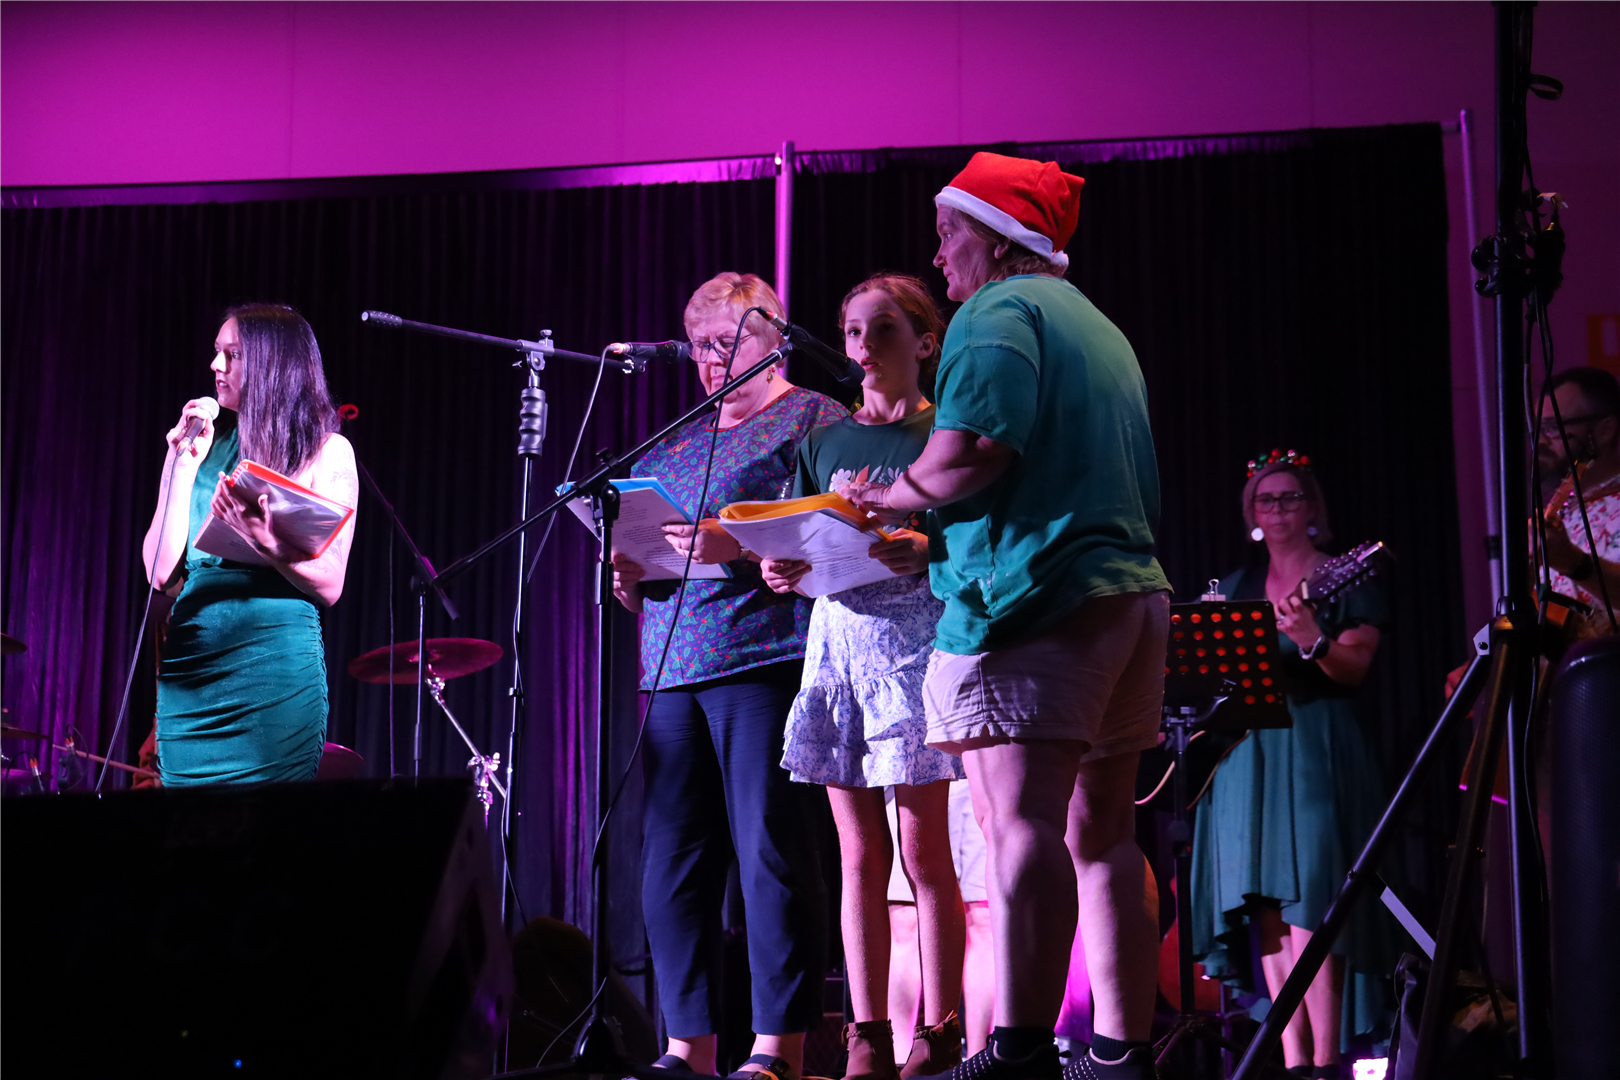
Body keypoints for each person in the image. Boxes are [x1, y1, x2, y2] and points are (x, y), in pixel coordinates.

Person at [843, 152, 1171, 1080]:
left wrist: (885, 497)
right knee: (1104, 833)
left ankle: (1019, 1049)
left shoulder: (997, 312)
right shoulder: (1096, 324)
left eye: (948, 233)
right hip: (1127, 597)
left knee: (1020, 826)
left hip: (1038, 603)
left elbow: (974, 450)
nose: (938, 254)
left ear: (993, 238)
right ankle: (1120, 1054)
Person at [610, 272, 846, 1080]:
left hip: (764, 658)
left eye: (726, 343)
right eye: (698, 347)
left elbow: (833, 529)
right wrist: (629, 570)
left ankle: (778, 1046)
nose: (710, 360)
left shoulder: (814, 418)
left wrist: (737, 543)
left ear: (774, 338)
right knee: (673, 860)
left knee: (771, 851)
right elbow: (654, 541)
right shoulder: (676, 437)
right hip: (671, 665)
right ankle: (688, 1045)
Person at [765, 275, 966, 1080]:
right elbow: (798, 536)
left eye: (882, 329)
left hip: (915, 643)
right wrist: (781, 567)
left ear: (924, 342)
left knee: (922, 849)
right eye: (852, 331)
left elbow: (974, 535)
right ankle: (867, 1032)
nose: (862, 347)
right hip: (840, 644)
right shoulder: (826, 441)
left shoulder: (942, 432)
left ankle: (940, 1030)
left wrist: (928, 548)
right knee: (856, 855)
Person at [1188, 451, 1398, 1079]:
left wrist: (1313, 639)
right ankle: (1292, 1057)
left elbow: (1355, 668)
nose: (1277, 510)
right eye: (1265, 499)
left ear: (1311, 507)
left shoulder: (1343, 580)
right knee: (1264, 904)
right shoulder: (1236, 586)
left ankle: (1328, 1060)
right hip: (1245, 756)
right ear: (1250, 513)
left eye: (1289, 497)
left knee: (1313, 895)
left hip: (1314, 745)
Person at [142, 304, 357, 785]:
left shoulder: (325, 450)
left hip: (272, 678)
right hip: (191, 676)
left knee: (265, 828)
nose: (215, 366)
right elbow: (160, 572)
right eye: (216, 352)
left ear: (272, 362)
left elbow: (331, 583)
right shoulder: (203, 446)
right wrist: (179, 467)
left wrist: (265, 540)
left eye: (232, 354)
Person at [1536, 366, 1620, 638]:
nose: (1539, 442)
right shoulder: (1560, 507)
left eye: (1552, 428)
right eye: (1535, 430)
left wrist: (1574, 562)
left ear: (1605, 430)